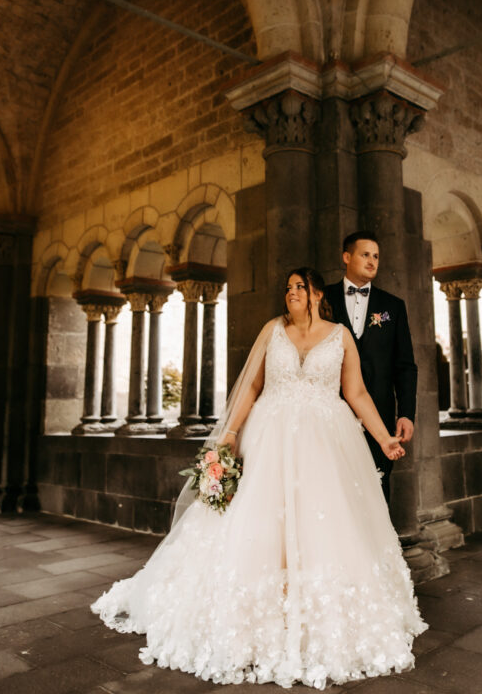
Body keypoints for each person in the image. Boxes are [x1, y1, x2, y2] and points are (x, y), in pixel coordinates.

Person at [91, 267, 427, 689]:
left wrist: (383, 439)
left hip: (326, 444)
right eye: (287, 287)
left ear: (317, 294)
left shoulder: (340, 336)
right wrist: (228, 434)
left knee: (324, 523)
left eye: (299, 287)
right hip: (268, 438)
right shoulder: (273, 330)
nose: (291, 294)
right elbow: (251, 386)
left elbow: (356, 393)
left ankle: (312, 615)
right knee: (260, 523)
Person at [324, 231, 417, 502]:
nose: (372, 261)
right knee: (332, 489)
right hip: (330, 411)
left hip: (379, 413)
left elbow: (405, 365)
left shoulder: (393, 306)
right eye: (365, 254)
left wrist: (406, 413)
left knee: (376, 489)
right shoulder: (322, 299)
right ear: (346, 257)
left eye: (376, 256)